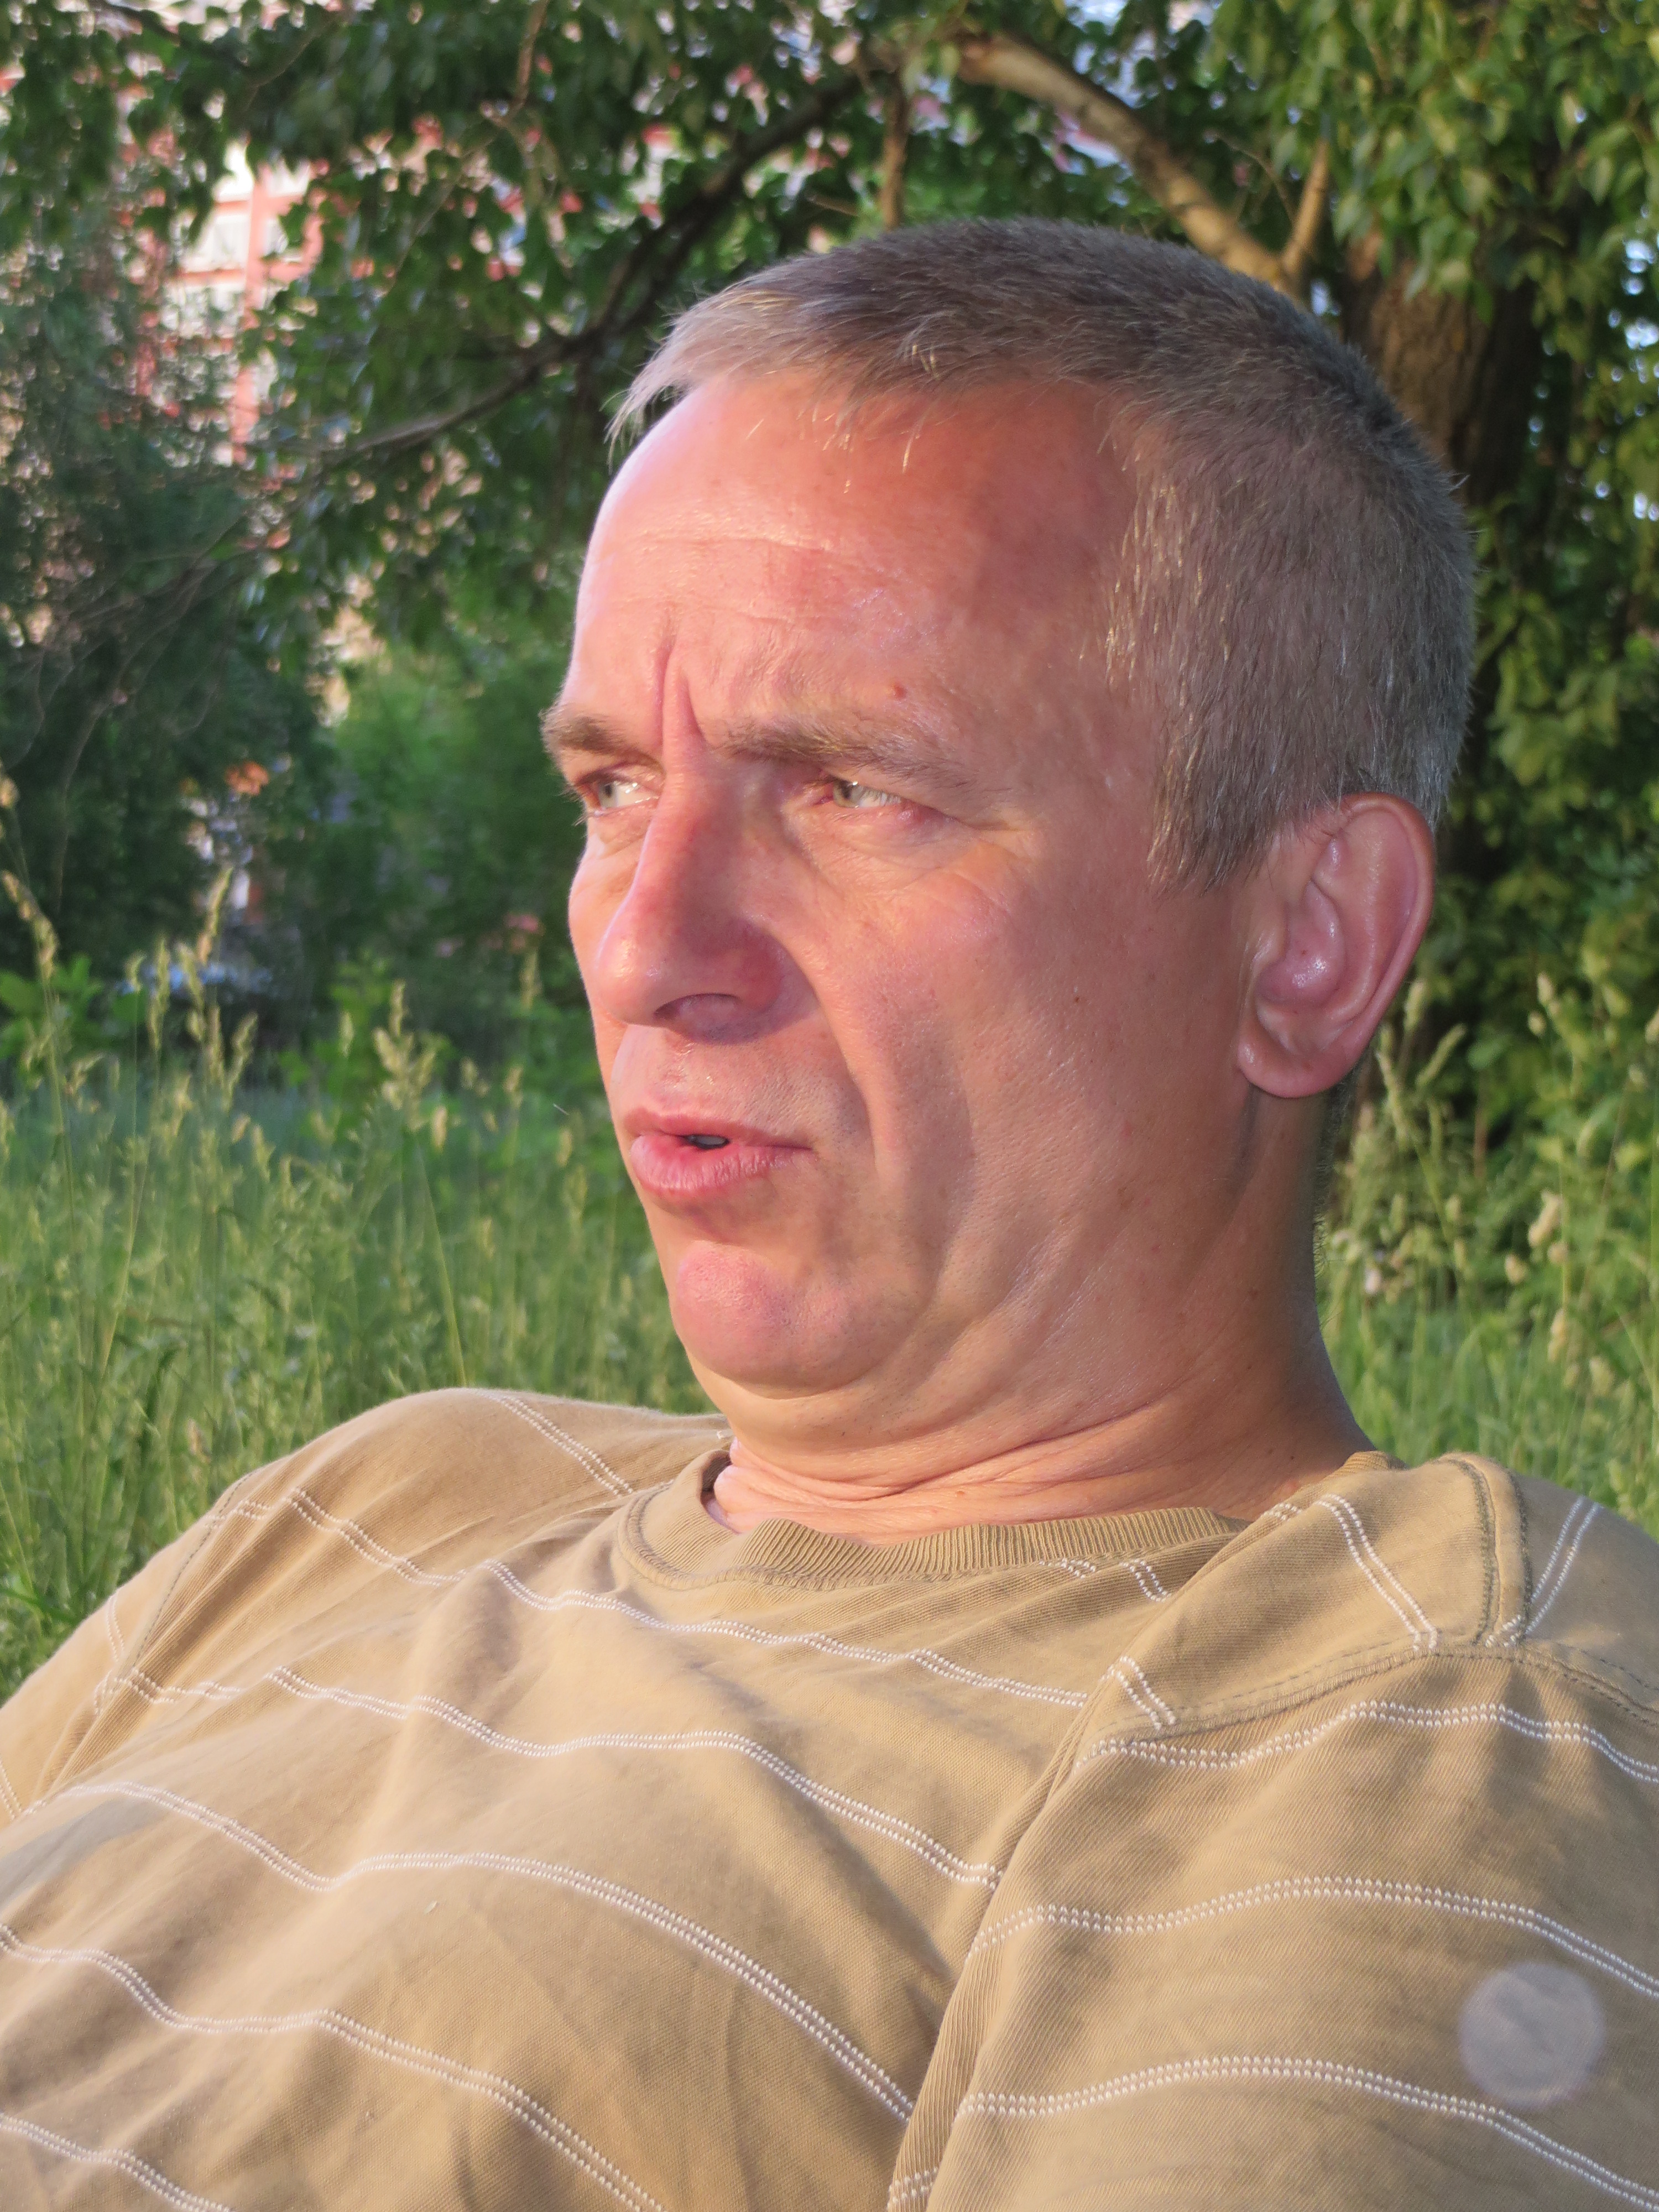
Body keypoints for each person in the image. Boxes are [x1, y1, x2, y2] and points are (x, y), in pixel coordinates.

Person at [0, 220, 1653, 2212]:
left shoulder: (1430, 1690)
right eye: (614, 789)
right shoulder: (392, 1493)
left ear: (1310, 942)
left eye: (852, 791)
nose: (643, 947)